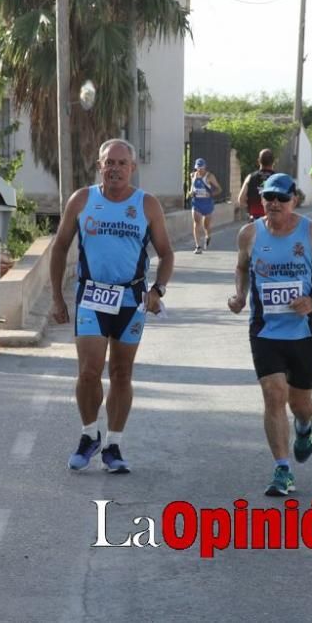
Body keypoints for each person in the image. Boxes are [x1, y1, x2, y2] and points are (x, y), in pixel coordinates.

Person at [50, 139, 174, 474]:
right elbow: (60, 247)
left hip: (130, 300)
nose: (115, 169)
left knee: (121, 373)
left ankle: (114, 444)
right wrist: (57, 297)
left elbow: (166, 254)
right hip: (91, 297)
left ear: (132, 168)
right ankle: (89, 433)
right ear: (100, 166)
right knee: (89, 371)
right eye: (109, 163)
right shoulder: (82, 200)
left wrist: (157, 290)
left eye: (122, 163)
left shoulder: (146, 205)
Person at [228, 173, 312, 496]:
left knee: (300, 402)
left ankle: (304, 426)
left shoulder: (311, 232)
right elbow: (241, 268)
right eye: (268, 197)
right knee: (273, 393)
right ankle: (283, 469)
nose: (274, 203)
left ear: (294, 199)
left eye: (281, 197)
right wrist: (239, 295)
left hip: (304, 332)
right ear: (261, 199)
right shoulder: (249, 234)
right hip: (265, 331)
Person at [188, 158, 222, 253]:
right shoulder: (193, 175)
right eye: (198, 168)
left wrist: (210, 194)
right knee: (196, 223)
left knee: (206, 225)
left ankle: (208, 236)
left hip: (207, 204)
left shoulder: (210, 176)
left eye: (201, 168)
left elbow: (219, 189)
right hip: (196, 202)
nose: (199, 170)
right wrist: (191, 192)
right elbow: (191, 189)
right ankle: (198, 246)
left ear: (205, 167)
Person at [237, 148, 275, 221]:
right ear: (273, 162)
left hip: (255, 219)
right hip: (272, 220)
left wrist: (250, 210)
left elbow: (241, 199)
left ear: (258, 161)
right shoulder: (277, 178)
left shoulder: (250, 177)